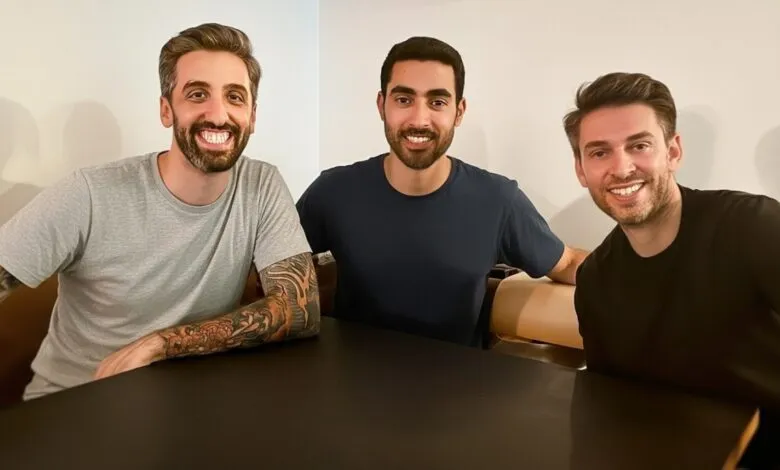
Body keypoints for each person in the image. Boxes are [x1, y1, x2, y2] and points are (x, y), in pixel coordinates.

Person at [0, 23, 320, 400]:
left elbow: (300, 309)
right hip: (74, 402)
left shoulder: (261, 184)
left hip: (184, 403)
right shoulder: (88, 193)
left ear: (251, 115)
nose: (218, 115)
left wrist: (162, 343)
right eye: (198, 94)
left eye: (235, 97)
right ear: (167, 110)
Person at [296, 36, 586, 348]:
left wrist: (641, 279)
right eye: (404, 100)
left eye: (437, 102)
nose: (419, 120)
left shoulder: (498, 200)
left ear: (459, 111)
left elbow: (567, 263)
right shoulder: (333, 192)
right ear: (382, 105)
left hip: (458, 389)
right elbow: (270, 268)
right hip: (348, 383)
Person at [566, 71, 779, 468]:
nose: (622, 167)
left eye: (639, 145)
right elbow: (609, 407)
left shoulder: (754, 227)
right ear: (581, 170)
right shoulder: (596, 279)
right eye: (599, 152)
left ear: (673, 151)